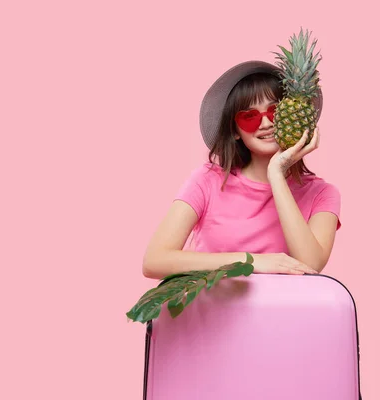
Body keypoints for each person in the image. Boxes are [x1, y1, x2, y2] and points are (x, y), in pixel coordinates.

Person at [142, 60, 341, 280]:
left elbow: (309, 264)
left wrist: (276, 174)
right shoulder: (207, 180)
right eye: (250, 117)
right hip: (211, 310)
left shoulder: (322, 194)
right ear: (235, 131)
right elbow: (154, 261)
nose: (265, 124)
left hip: (282, 312)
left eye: (275, 112)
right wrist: (251, 261)